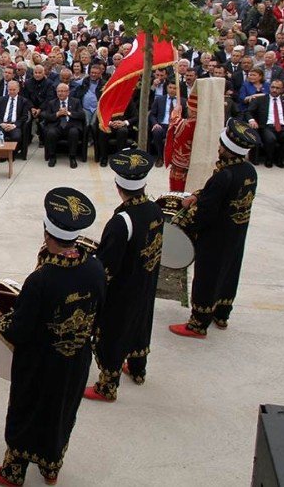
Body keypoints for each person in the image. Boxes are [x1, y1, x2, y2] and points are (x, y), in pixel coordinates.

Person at [0, 187, 105, 486]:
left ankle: (13, 471)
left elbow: (21, 330)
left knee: (27, 410)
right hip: (75, 359)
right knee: (62, 411)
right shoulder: (95, 267)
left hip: (41, 364)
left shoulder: (41, 279)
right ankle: (51, 467)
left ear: (47, 235)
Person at [84, 150, 163, 402]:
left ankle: (107, 386)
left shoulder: (121, 221)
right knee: (141, 322)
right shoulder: (155, 210)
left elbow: (106, 267)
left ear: (118, 185)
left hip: (123, 290)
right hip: (146, 282)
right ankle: (138, 369)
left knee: (113, 332)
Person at [170, 119, 259, 338]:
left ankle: (198, 323)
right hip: (236, 234)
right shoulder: (249, 171)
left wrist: (182, 225)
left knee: (207, 276)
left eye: (221, 146)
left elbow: (205, 213)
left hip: (215, 237)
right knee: (229, 271)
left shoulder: (224, 175)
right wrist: (197, 195)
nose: (218, 148)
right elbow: (223, 196)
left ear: (228, 149)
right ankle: (221, 314)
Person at [247, 79, 284, 168]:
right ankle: (269, 158)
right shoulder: (260, 99)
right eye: (272, 87)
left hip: (283, 128)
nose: (274, 90)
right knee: (270, 139)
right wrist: (252, 120)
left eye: (277, 88)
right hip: (267, 127)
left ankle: (279, 157)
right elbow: (248, 112)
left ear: (282, 89)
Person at [42, 82, 85, 168]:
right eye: (59, 91)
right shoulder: (51, 103)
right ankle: (52, 157)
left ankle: (72, 157)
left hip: (71, 125)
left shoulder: (76, 101)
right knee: (51, 132)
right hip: (57, 126)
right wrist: (57, 114)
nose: (60, 93)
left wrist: (68, 113)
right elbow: (46, 116)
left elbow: (82, 115)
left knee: (74, 132)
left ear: (68, 92)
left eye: (63, 91)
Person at [149, 82, 181, 164]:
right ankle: (160, 157)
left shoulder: (182, 101)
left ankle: (175, 158)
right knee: (156, 131)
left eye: (175, 88)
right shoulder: (159, 100)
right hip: (162, 125)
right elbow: (152, 114)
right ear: (167, 88)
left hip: (175, 125)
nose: (172, 90)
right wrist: (155, 123)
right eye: (170, 87)